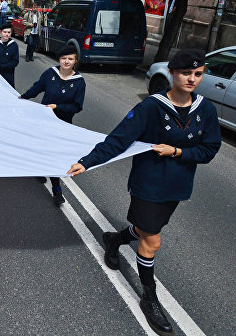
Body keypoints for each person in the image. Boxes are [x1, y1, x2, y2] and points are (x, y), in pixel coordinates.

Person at [67, 49, 221, 335]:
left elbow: (210, 149)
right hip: (148, 184)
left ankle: (114, 240)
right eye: (186, 73)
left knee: (144, 228)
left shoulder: (206, 109)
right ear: (173, 73)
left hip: (178, 186)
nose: (191, 79)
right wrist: (87, 162)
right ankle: (149, 297)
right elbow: (119, 139)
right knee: (153, 240)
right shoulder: (152, 106)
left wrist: (175, 151)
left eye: (198, 74)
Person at [19, 45, 85, 203]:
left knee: (55, 153)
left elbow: (77, 106)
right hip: (44, 120)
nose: (66, 61)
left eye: (70, 59)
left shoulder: (79, 82)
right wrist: (23, 97)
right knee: (42, 147)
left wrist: (58, 107)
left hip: (62, 123)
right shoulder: (50, 73)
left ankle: (56, 188)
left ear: (75, 61)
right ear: (59, 59)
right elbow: (37, 88)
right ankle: (46, 175)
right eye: (63, 58)